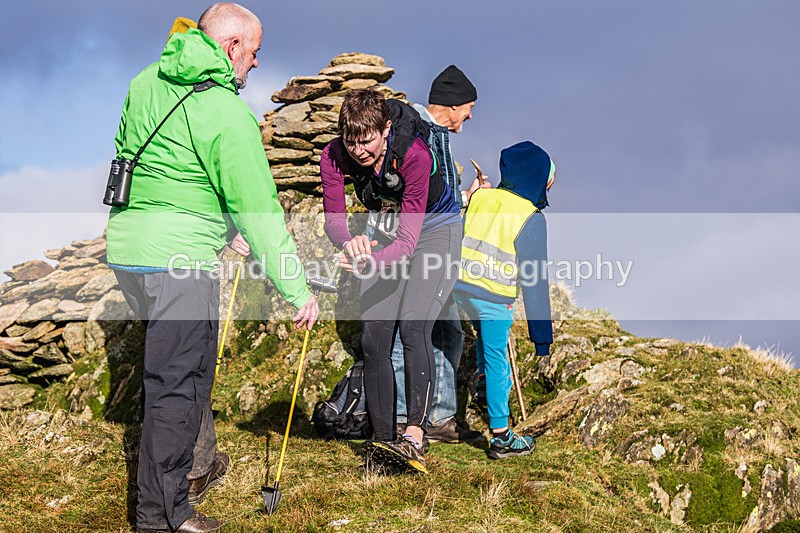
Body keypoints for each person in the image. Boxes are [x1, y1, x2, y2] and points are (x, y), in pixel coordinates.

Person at [106, 4, 318, 532]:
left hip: (129, 253)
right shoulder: (227, 112)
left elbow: (147, 163)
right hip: (181, 263)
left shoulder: (145, 81)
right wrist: (297, 290)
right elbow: (261, 210)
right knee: (178, 387)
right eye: (253, 53)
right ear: (230, 48)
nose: (254, 66)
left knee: (179, 376)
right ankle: (162, 516)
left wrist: (223, 230)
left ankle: (194, 468)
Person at [320, 88, 462, 474]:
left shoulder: (414, 156)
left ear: (385, 130)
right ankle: (381, 444)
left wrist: (370, 263)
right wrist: (352, 244)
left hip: (433, 232)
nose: (358, 152)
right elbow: (334, 220)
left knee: (414, 328)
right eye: (351, 142)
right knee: (373, 337)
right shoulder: (334, 155)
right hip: (385, 232)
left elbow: (407, 244)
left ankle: (415, 436)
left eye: (366, 141)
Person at [391, 65, 489, 444]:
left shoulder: (436, 133)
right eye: (469, 107)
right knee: (411, 331)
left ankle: (439, 416)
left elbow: (437, 195)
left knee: (447, 330)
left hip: (435, 248)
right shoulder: (419, 131)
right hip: (419, 248)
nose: (470, 115)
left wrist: (467, 198)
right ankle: (406, 417)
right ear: (453, 104)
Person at [453, 141, 555, 460]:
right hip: (494, 297)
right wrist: (542, 339)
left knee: (481, 344)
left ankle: (481, 388)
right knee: (499, 359)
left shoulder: (482, 197)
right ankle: (501, 436)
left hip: (457, 288)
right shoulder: (531, 217)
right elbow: (535, 281)